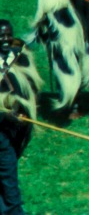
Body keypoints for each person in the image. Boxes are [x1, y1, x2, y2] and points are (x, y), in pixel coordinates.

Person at [0, 20, 42, 215]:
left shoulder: (19, 57)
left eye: (9, 35)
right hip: (2, 128)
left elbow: (30, 86)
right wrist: (6, 113)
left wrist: (24, 108)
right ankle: (14, 210)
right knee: (7, 169)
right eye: (1, 36)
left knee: (8, 164)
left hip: (17, 127)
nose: (6, 39)